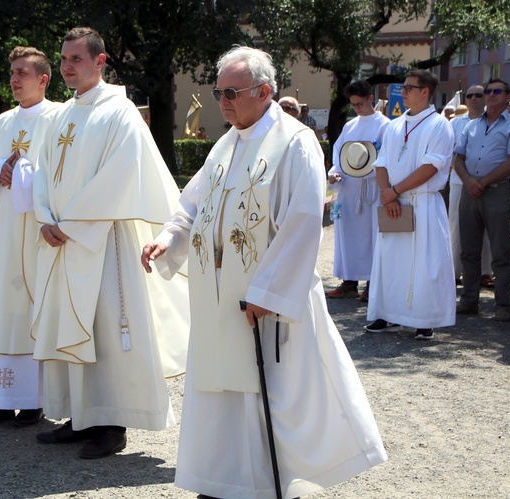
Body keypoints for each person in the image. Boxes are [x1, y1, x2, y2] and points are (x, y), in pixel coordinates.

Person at [141, 46, 386, 499]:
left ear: (265, 91)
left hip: (263, 302)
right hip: (218, 297)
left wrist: (267, 292)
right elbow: (191, 206)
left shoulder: (294, 141)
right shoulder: (226, 143)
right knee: (218, 391)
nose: (223, 102)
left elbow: (303, 222)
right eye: (219, 92)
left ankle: (260, 485)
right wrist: (168, 239)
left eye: (232, 92)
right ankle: (221, 478)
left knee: (266, 395)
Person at [31, 27, 189, 459]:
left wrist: (72, 223)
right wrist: (46, 217)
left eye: (76, 59)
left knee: (105, 329)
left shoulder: (120, 112)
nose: (66, 66)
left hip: (103, 242)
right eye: (63, 59)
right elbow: (42, 170)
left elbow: (120, 176)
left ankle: (111, 424)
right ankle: (80, 416)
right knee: (72, 324)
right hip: (64, 241)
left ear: (100, 62)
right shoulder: (61, 115)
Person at [0, 47, 60, 428]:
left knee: (30, 307)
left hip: (36, 229)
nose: (15, 79)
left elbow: (60, 170)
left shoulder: (58, 119)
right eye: (12, 73)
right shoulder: (1, 123)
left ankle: (32, 399)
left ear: (43, 79)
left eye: (22, 72)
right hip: (1, 231)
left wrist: (24, 173)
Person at [366, 70, 455, 340]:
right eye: (403, 87)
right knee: (390, 261)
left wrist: (394, 191)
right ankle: (388, 315)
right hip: (393, 201)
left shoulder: (439, 125)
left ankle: (424, 319)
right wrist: (386, 192)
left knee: (424, 263)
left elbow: (431, 166)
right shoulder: (394, 125)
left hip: (423, 203)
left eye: (409, 87)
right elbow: (380, 163)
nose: (403, 92)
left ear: (425, 91)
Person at [453, 78, 510, 322]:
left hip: (497, 192)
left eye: (496, 91)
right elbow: (457, 158)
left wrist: (483, 181)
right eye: (487, 91)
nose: (490, 95)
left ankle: (502, 304)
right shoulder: (470, 126)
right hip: (469, 192)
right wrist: (469, 181)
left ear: (506, 97)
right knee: (468, 251)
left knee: (500, 252)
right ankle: (469, 301)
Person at [327, 80, 390, 301]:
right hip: (349, 187)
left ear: (371, 99)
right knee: (348, 235)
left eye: (361, 104)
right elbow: (339, 153)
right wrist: (335, 173)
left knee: (372, 235)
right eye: (353, 105)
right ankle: (349, 281)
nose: (357, 108)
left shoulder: (385, 125)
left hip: (371, 188)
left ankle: (373, 283)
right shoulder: (350, 126)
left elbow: (386, 156)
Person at [447, 85, 493, 288]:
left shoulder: (494, 121)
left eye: (478, 95)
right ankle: (454, 272)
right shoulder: (455, 123)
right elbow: (449, 154)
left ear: (485, 98)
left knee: (486, 228)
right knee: (456, 227)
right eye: (470, 95)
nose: (473, 98)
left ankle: (484, 272)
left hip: (489, 182)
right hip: (459, 181)